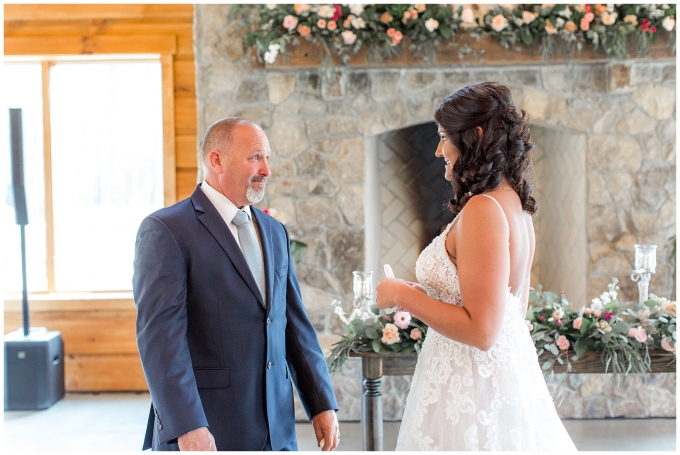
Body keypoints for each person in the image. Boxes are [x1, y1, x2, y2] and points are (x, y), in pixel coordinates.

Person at [375, 82, 577, 451]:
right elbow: (510, 310)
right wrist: (429, 297)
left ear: (475, 135)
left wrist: (401, 293)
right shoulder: (513, 203)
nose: (438, 151)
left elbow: (483, 331)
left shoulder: (484, 209)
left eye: (443, 138)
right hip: (486, 379)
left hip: (471, 391)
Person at [133, 118, 339, 451]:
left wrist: (321, 402)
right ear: (216, 161)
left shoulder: (274, 231)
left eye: (267, 158)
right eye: (255, 157)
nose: (267, 170)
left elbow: (293, 325)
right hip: (208, 428)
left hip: (277, 428)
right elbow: (160, 341)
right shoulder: (166, 230)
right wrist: (188, 426)